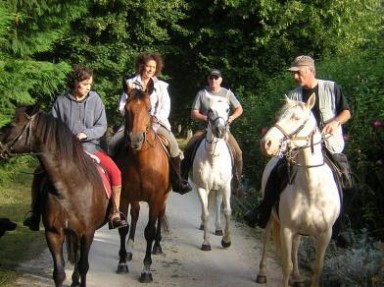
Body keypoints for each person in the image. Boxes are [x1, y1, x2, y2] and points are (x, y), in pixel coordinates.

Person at [244, 55, 353, 245]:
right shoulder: (293, 95)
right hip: (298, 146)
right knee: (276, 172)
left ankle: (342, 226)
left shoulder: (331, 87)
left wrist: (335, 122)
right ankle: (262, 211)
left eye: (298, 72)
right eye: (293, 73)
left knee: (348, 180)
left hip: (328, 145)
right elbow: (283, 118)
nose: (294, 77)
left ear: (311, 71)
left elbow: (346, 112)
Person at [23, 66, 128, 230]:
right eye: (85, 84)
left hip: (91, 148)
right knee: (39, 172)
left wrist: (85, 134)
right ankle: (35, 212)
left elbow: (102, 126)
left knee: (116, 173)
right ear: (75, 83)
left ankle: (114, 213)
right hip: (64, 151)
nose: (88, 87)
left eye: (90, 84)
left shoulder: (95, 99)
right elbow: (54, 128)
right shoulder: (61, 101)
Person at [108, 52, 191, 194]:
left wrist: (154, 118)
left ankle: (178, 180)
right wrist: (131, 115)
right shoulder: (129, 84)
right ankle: (109, 178)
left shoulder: (161, 86)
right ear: (142, 66)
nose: (150, 69)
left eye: (153, 67)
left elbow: (166, 107)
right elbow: (122, 105)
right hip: (132, 122)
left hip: (156, 123)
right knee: (112, 143)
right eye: (148, 66)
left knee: (173, 145)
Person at [181, 69, 244, 190]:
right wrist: (206, 117)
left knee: (238, 153)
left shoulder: (227, 94)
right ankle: (183, 179)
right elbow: (194, 113)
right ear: (208, 79)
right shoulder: (202, 94)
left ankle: (236, 183)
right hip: (204, 130)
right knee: (189, 147)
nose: (213, 80)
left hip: (223, 131)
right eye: (211, 78)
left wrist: (232, 117)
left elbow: (239, 109)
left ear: (220, 80)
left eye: (216, 78)